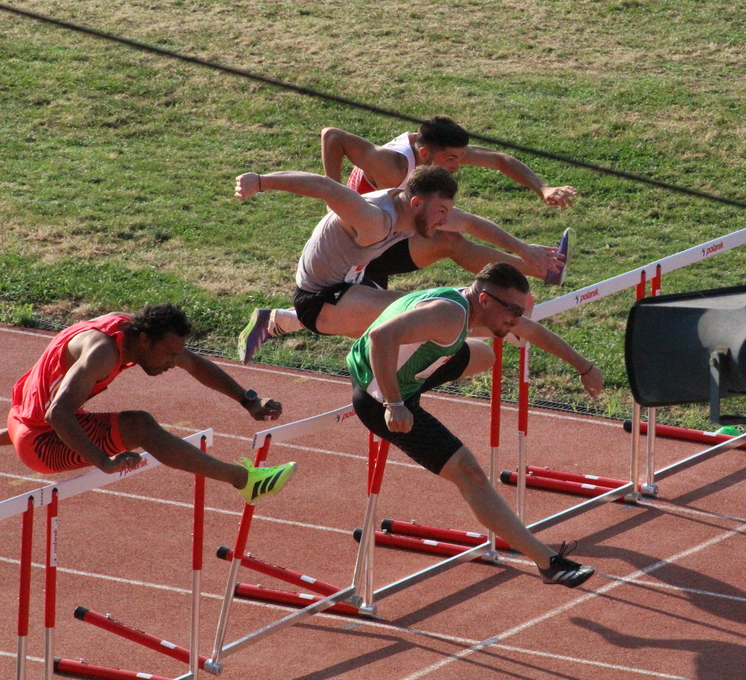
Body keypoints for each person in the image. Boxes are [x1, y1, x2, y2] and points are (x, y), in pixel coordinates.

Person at [347, 262, 599, 588]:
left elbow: (533, 331)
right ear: (485, 300)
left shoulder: (466, 307)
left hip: (402, 377)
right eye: (512, 311)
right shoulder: (449, 316)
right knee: (471, 474)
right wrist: (394, 405)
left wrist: (584, 367)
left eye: (521, 310)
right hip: (378, 397)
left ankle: (417, 375)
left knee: (484, 355)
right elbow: (381, 336)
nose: (517, 319)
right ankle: (548, 563)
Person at [235, 165, 567, 364]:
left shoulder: (416, 211)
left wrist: (523, 250)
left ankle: (278, 321)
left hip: (352, 283)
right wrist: (260, 181)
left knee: (439, 316)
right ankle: (510, 329)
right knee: (421, 311)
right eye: (440, 212)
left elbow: (469, 223)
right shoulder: (373, 220)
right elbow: (324, 186)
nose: (444, 219)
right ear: (417, 203)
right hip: (319, 298)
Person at [2, 304, 295, 504]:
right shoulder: (102, 353)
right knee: (140, 426)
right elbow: (57, 414)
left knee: (90, 414)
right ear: (144, 340)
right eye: (168, 354)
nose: (173, 362)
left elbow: (193, 363)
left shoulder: (129, 328)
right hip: (40, 441)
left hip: (20, 419)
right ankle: (246, 482)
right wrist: (104, 462)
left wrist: (247, 400)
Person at [323, 116, 576, 291]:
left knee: (448, 230)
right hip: (352, 247)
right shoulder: (392, 166)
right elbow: (333, 136)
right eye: (451, 160)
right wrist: (333, 198)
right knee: (447, 239)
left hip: (384, 234)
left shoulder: (433, 151)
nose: (456, 167)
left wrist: (543, 188)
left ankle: (545, 270)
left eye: (459, 158)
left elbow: (499, 159)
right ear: (425, 154)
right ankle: (544, 270)